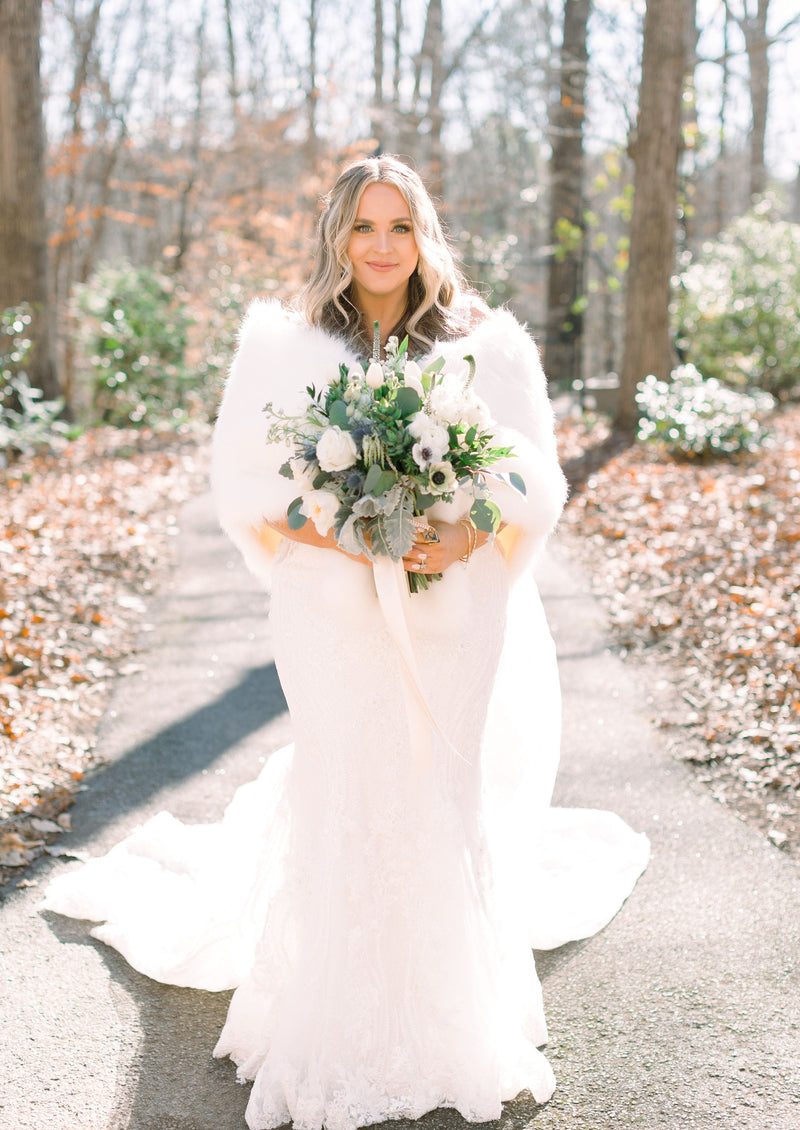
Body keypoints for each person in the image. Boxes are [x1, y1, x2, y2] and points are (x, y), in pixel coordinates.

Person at [44, 155, 649, 1130]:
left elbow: (527, 480)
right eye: (362, 226)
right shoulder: (286, 348)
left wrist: (459, 532)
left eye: (398, 226)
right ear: (336, 234)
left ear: (424, 235)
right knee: (356, 776)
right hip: (329, 597)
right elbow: (249, 488)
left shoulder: (482, 341)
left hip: (453, 597)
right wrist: (351, 530)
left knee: (432, 779)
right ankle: (333, 1003)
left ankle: (449, 1002)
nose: (379, 245)